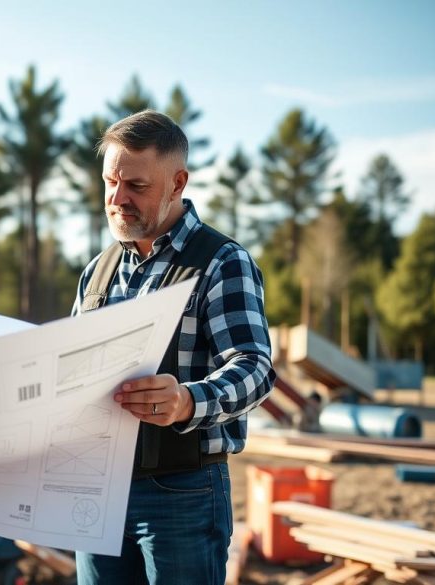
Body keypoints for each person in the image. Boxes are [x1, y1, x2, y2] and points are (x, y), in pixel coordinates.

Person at [72, 110, 274, 585]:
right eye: (110, 183)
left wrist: (187, 400)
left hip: (181, 492)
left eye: (136, 186)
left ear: (178, 181)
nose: (117, 200)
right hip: (96, 492)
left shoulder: (221, 262)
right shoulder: (96, 272)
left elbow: (256, 368)